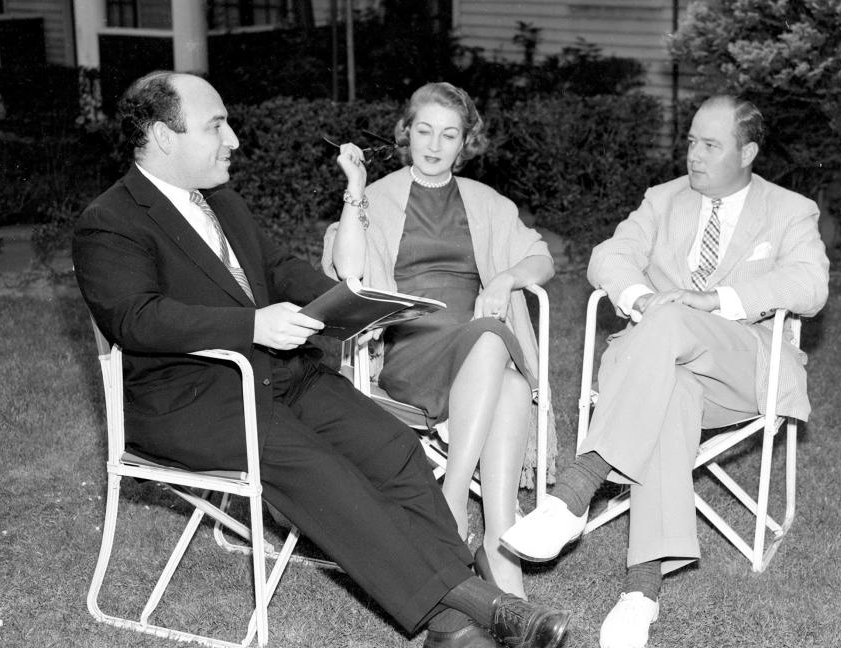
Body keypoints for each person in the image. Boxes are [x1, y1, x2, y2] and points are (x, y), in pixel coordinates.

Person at [73, 70, 573, 648]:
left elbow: (281, 270)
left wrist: (357, 303)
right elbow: (134, 318)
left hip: (282, 377)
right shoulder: (111, 221)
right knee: (318, 467)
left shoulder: (223, 203)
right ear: (164, 136)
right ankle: (474, 609)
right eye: (217, 126)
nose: (233, 139)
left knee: (393, 446)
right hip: (190, 396)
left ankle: (452, 623)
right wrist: (252, 324)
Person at [500, 95, 829, 648]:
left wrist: (715, 299)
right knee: (670, 393)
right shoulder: (663, 200)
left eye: (710, 145)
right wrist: (642, 298)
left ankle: (576, 490)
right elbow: (609, 256)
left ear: (747, 151)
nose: (693, 155)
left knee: (676, 320)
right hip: (661, 373)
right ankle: (642, 595)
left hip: (743, 366)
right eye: (691, 141)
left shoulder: (790, 210)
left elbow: (810, 286)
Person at [322, 81, 556, 598]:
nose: (434, 145)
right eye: (424, 131)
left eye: (448, 135)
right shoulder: (379, 197)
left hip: (476, 352)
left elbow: (542, 258)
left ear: (464, 142)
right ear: (406, 133)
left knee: (507, 373)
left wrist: (503, 279)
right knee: (497, 346)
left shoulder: (485, 202)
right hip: (409, 350)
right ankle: (457, 504)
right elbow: (348, 268)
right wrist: (355, 189)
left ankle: (495, 543)